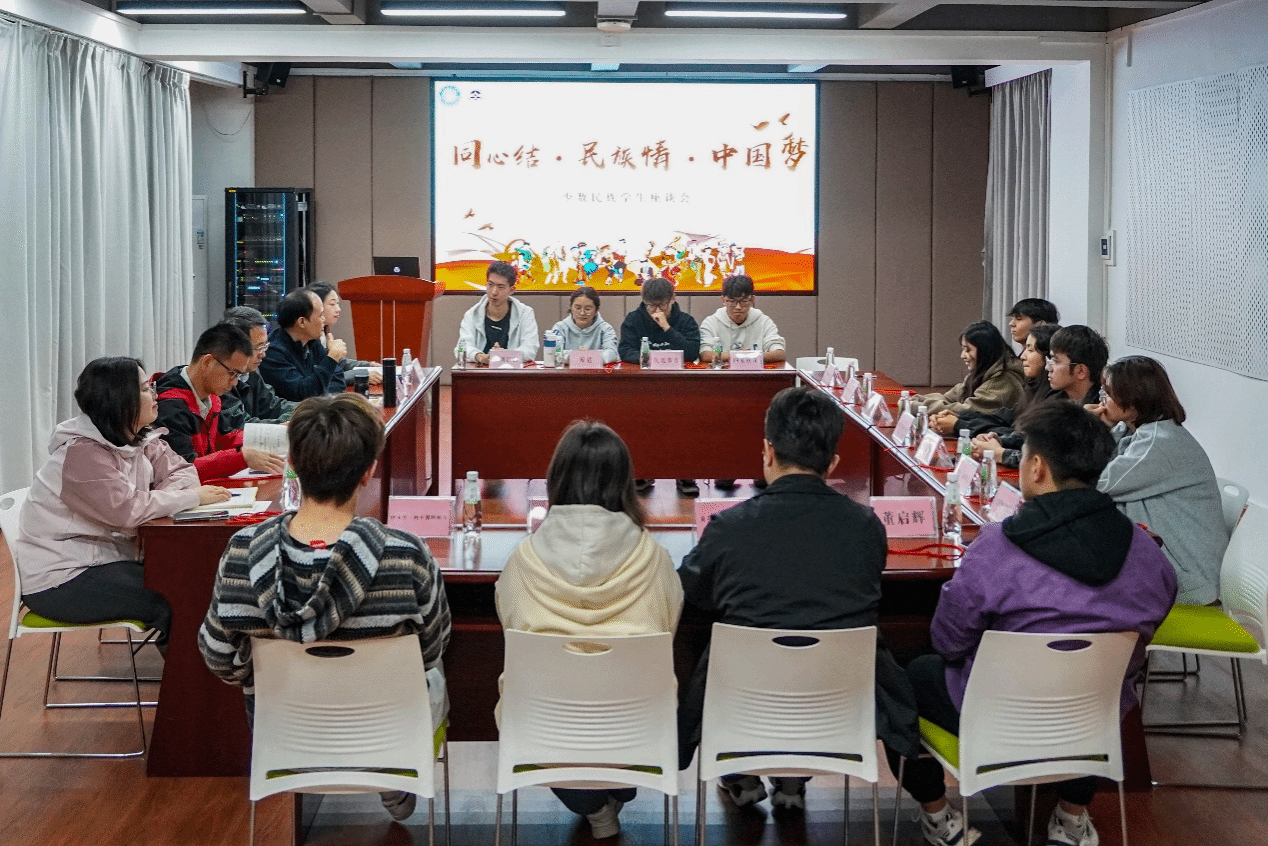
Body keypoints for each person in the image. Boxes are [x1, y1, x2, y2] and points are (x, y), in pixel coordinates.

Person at [888, 402, 1177, 846]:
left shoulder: (997, 548)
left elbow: (948, 641)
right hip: (1093, 720)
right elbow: (1152, 624)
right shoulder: (1147, 554)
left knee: (896, 677)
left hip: (995, 717)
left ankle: (939, 815)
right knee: (1090, 685)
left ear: (1037, 467)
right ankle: (1072, 816)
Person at [198, 392, 452, 823]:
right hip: (386, 731)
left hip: (286, 738)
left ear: (292, 463)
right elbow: (431, 648)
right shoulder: (405, 554)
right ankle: (393, 775)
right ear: (369, 471)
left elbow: (219, 657)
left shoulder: (243, 552)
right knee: (433, 671)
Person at [677, 386, 919, 811]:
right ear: (833, 463)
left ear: (767, 452)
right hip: (839, 709)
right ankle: (789, 779)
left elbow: (690, 593)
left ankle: (740, 769)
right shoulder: (866, 527)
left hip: (744, 705)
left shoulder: (729, 528)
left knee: (711, 636)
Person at [495, 421, 683, 839]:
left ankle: (594, 806)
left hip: (542, 731)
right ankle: (608, 796)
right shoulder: (654, 558)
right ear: (624, 483)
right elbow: (669, 630)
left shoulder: (522, 560)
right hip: (637, 730)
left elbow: (509, 624)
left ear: (556, 480)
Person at [16, 357, 230, 650]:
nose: (155, 394)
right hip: (63, 577)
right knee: (176, 598)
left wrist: (165, 498)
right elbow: (127, 511)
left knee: (196, 580)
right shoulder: (81, 454)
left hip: (108, 559)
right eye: (144, 388)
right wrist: (188, 498)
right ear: (119, 399)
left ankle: (205, 675)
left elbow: (182, 472)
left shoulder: (139, 437)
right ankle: (189, 679)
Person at [1091, 356, 1228, 605]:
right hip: (1163, 563)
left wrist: (1086, 428)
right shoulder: (1133, 432)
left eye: (1108, 394)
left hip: (1188, 578)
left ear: (1133, 401)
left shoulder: (1159, 442)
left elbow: (1095, 484)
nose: (1102, 400)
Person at [155, 323, 287, 481]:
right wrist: (241, 458)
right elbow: (184, 470)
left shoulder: (211, 397)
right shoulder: (170, 406)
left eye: (239, 375)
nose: (235, 382)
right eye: (233, 373)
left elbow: (225, 438)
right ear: (207, 362)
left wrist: (279, 433)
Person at [618, 276, 703, 495]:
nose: (656, 311)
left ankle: (685, 474)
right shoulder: (633, 319)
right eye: (651, 306)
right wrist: (650, 359)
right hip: (643, 388)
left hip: (679, 389)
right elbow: (625, 350)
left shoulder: (686, 321)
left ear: (673, 299)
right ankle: (643, 472)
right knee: (639, 425)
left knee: (686, 425)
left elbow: (692, 352)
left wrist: (666, 327)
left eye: (662, 306)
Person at [966, 323, 1061, 468]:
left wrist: (999, 452)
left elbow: (1045, 457)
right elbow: (1014, 426)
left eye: (1030, 350)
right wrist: (998, 439)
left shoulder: (1059, 401)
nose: (1022, 357)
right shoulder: (1033, 387)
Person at [920, 321, 1025, 435]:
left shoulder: (1004, 380)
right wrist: (914, 401)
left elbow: (967, 411)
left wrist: (920, 407)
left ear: (984, 350)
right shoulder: (982, 373)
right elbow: (949, 397)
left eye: (968, 350)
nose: (962, 355)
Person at [259, 288, 347, 401]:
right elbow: (302, 394)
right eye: (320, 315)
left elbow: (337, 379)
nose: (323, 319)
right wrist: (332, 358)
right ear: (302, 322)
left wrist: (325, 401)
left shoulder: (312, 342)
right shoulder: (273, 352)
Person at [219, 306, 298, 430]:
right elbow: (240, 425)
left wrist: (308, 409)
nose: (263, 354)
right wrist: (288, 424)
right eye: (258, 347)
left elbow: (272, 405)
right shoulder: (219, 379)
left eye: (265, 346)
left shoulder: (250, 373)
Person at [454, 260, 540, 365]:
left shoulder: (525, 313)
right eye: (490, 285)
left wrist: (503, 356)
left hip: (513, 372)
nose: (494, 292)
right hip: (481, 371)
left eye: (501, 287)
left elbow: (530, 349)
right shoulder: (472, 314)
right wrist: (481, 357)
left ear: (511, 290)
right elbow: (461, 349)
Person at [698, 274, 786, 364]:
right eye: (732, 301)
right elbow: (705, 354)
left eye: (744, 301)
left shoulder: (763, 321)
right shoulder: (711, 322)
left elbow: (779, 353)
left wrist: (747, 356)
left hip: (754, 372)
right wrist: (741, 355)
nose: (738, 307)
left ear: (752, 300)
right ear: (723, 300)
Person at [307, 281, 383, 385]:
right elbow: (320, 377)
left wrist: (367, 366)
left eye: (338, 304)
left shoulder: (323, 331)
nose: (338, 309)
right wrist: (360, 375)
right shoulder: (307, 337)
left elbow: (338, 363)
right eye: (332, 304)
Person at [548, 286, 619, 363]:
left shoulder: (605, 329)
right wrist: (575, 356)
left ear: (596, 311)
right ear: (571, 308)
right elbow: (553, 352)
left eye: (587, 309)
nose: (582, 313)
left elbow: (612, 353)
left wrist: (588, 356)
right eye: (577, 308)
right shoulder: (560, 328)